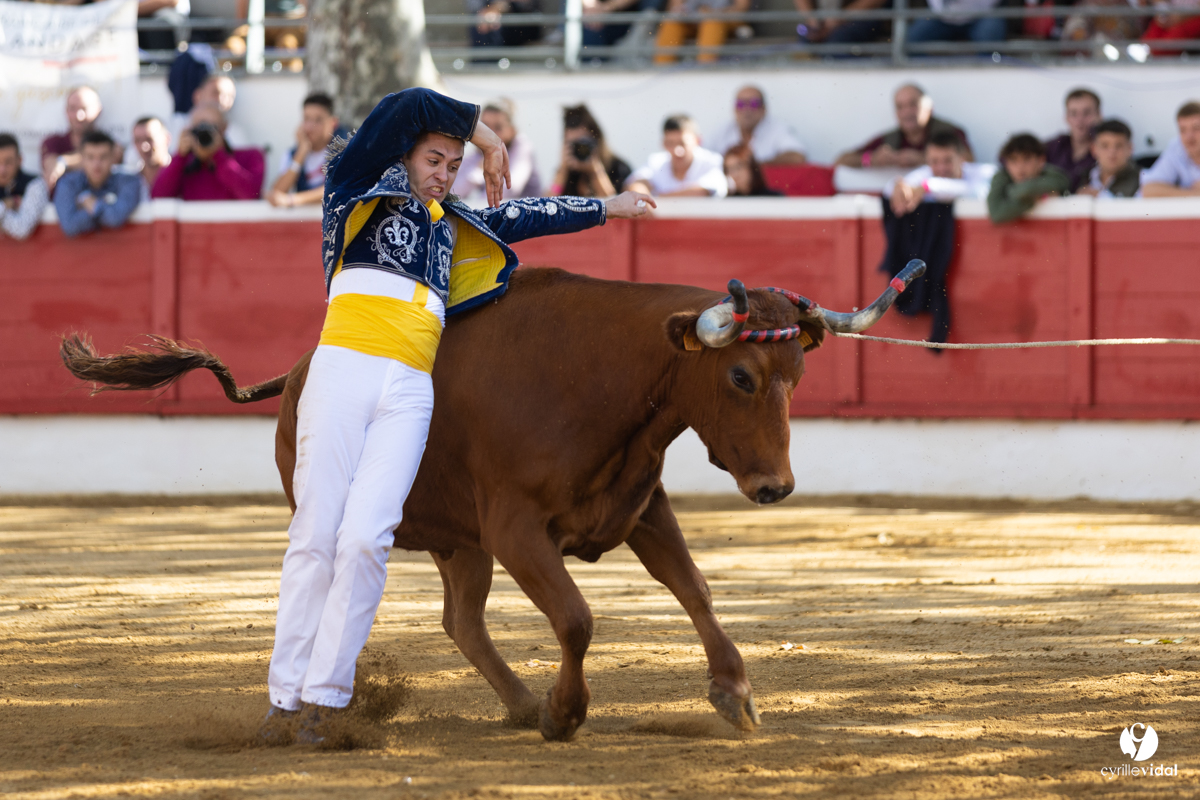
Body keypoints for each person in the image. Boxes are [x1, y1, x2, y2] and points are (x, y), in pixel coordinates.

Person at [259, 87, 655, 744]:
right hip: (343, 369)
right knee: (315, 534)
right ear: (405, 159)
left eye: (452, 164)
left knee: (366, 540)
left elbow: (532, 214)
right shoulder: (353, 189)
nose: (445, 172)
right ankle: (283, 696)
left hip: (410, 389)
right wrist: (483, 134)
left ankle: (323, 703)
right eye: (434, 160)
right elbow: (407, 104)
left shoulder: (455, 225)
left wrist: (608, 206)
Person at [835, 84, 973, 169]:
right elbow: (841, 161)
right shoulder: (889, 138)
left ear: (930, 108)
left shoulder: (949, 131)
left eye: (913, 104)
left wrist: (922, 159)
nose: (906, 112)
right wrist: (871, 159)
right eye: (900, 107)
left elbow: (969, 160)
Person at [152, 103, 265, 201]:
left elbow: (251, 195)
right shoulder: (186, 164)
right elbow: (158, 197)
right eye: (199, 128)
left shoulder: (251, 156)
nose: (205, 133)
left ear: (224, 127)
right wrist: (180, 156)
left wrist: (218, 156)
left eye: (212, 127)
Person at [53, 131, 141, 238]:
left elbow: (115, 218)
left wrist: (93, 205)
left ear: (113, 158)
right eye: (90, 157)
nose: (96, 164)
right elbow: (70, 226)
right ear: (82, 159)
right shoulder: (68, 183)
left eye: (103, 157)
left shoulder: (129, 181)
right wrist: (106, 206)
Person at [888, 130, 995, 216]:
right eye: (934, 161)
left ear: (962, 158)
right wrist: (899, 185)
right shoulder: (925, 173)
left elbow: (976, 191)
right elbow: (888, 190)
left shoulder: (983, 172)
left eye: (948, 160)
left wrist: (927, 187)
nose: (941, 167)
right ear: (928, 160)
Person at [267, 93, 345, 208]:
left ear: (333, 123)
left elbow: (336, 189)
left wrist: (292, 200)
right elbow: (277, 193)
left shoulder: (345, 151)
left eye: (318, 120)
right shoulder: (293, 153)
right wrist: (301, 153)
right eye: (306, 119)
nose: (310, 126)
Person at [458, 99, 541, 204]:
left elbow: (511, 188)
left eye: (498, 127)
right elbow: (454, 192)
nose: (490, 133)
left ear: (512, 130)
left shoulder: (522, 147)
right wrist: (477, 171)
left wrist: (475, 211)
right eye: (485, 126)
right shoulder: (479, 152)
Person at [627, 115, 728, 197]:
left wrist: (653, 200)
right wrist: (641, 191)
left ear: (698, 141)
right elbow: (635, 184)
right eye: (670, 143)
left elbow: (703, 191)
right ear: (663, 144)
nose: (677, 151)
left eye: (682, 143)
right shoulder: (656, 161)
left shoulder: (712, 160)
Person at [547, 104, 633, 198]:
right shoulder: (566, 173)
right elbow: (548, 202)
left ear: (596, 139)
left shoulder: (617, 168)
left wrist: (596, 172)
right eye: (573, 144)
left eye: (583, 143)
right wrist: (562, 171)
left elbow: (615, 204)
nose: (579, 149)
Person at [708, 86, 806, 166]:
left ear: (764, 108)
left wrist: (755, 168)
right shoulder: (723, 130)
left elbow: (797, 156)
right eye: (741, 104)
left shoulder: (778, 128)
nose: (746, 110)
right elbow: (705, 157)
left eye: (753, 104)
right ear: (734, 109)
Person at [987, 134, 1070, 224]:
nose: (1020, 167)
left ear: (1041, 160)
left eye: (1026, 159)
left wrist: (1012, 192)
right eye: (1013, 160)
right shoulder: (1001, 177)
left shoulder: (1052, 174)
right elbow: (996, 214)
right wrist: (1034, 198)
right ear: (1006, 163)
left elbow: (1063, 182)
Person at [41, 86, 105, 195]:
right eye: (73, 108)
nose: (79, 116)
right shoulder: (52, 142)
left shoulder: (108, 143)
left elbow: (112, 157)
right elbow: (51, 167)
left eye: (85, 108)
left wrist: (63, 162)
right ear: (66, 111)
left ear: (98, 110)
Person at [654, 0, 751, 64]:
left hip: (725, 20)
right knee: (671, 23)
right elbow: (674, 7)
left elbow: (740, 9)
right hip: (692, 20)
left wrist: (712, 12)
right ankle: (661, 68)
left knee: (712, 22)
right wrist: (685, 12)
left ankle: (705, 67)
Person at [170, 74, 251, 149]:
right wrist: (181, 155)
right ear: (198, 95)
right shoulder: (177, 125)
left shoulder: (236, 133)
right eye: (216, 93)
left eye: (229, 96)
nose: (221, 100)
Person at [1043, 88, 1102, 193]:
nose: (1080, 119)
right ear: (1066, 117)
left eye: (1086, 113)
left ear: (1099, 115)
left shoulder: (1107, 150)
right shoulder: (1053, 146)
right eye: (1074, 113)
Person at [1140, 101, 1200, 197]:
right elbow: (1148, 190)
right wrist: (1193, 194)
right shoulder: (1177, 147)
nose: (1189, 137)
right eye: (1183, 130)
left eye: (1196, 128)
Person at [0, 134, 50, 241]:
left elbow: (22, 229)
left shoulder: (35, 184)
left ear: (19, 160)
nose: (2, 170)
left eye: (8, 162)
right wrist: (4, 205)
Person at [1076, 119, 1140, 199]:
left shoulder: (1142, 179)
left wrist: (1100, 196)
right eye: (1105, 145)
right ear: (1094, 149)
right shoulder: (1082, 177)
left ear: (1130, 149)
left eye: (1118, 145)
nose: (1112, 152)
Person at [905, 0, 1006, 48]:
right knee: (911, 38)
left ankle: (986, 72)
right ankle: (929, 71)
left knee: (991, 33)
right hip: (940, 17)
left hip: (980, 17)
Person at [793, 0, 892, 47]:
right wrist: (812, 19)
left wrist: (840, 18)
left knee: (837, 43)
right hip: (824, 21)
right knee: (805, 39)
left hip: (863, 17)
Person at [467, 0, 543, 49]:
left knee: (497, 27)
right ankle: (482, 66)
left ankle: (488, 65)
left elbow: (527, 4)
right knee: (483, 23)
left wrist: (500, 6)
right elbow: (475, 6)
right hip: (486, 18)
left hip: (521, 21)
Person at [130, 116, 173, 202]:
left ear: (167, 139)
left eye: (149, 139)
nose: (144, 147)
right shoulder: (129, 181)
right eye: (138, 140)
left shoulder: (182, 174)